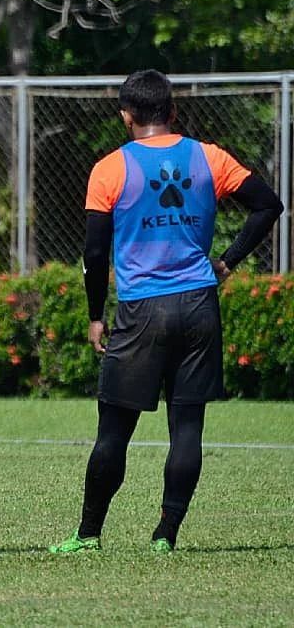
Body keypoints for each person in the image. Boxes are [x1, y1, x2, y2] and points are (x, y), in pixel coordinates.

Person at [51, 70, 282, 554]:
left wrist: (97, 315)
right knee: (187, 427)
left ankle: (88, 534)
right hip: (199, 303)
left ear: (125, 116)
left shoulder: (109, 169)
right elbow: (267, 205)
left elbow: (95, 255)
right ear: (173, 112)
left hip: (140, 309)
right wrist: (228, 261)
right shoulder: (209, 157)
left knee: (114, 428)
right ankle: (165, 535)